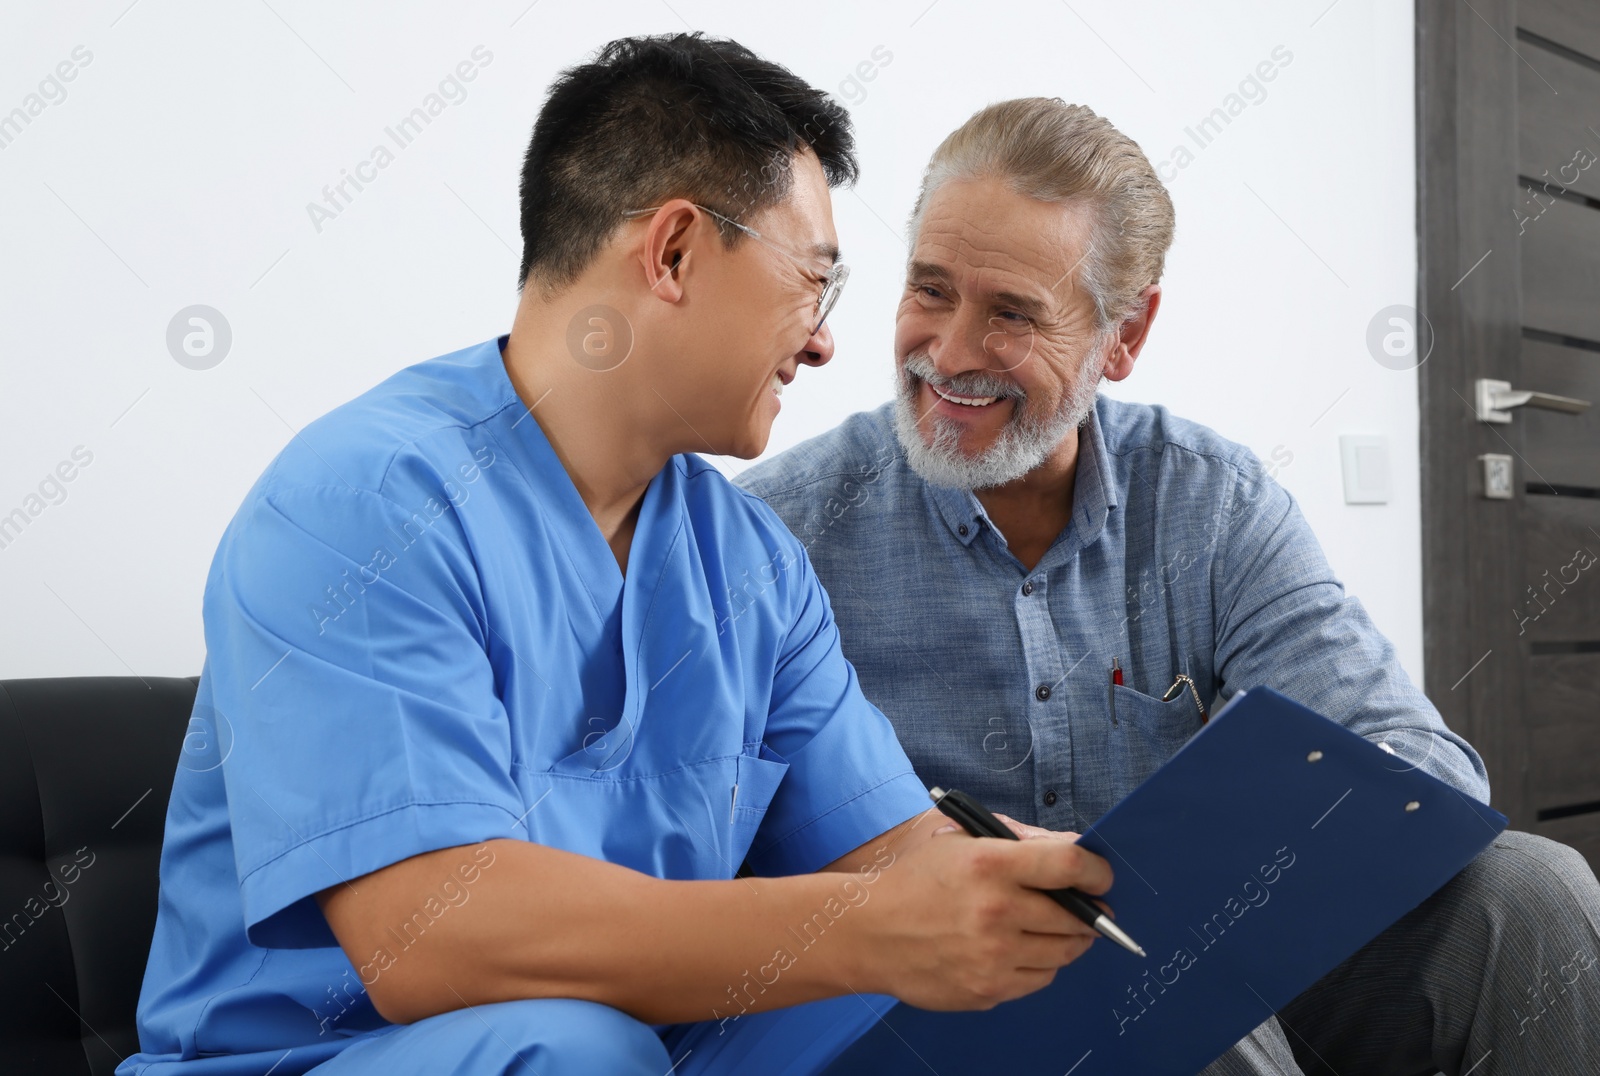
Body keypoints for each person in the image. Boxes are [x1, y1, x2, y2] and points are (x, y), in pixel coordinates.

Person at [118, 40, 1116, 1076]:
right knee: (574, 1046)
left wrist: (1036, 885)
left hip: (647, 1047)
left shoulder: (751, 565)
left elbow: (885, 847)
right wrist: (871, 926)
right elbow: (428, 936)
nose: (823, 343)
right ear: (675, 251)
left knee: (987, 998)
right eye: (812, 283)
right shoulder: (361, 504)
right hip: (337, 1058)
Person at [735, 97, 1600, 1075]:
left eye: (1011, 312)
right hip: (939, 1006)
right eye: (930, 291)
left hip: (1203, 949)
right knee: (1179, 1022)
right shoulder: (777, 531)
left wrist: (1200, 886)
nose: (950, 351)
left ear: (1124, 334)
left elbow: (1422, 771)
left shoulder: (1211, 501)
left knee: (1529, 890)